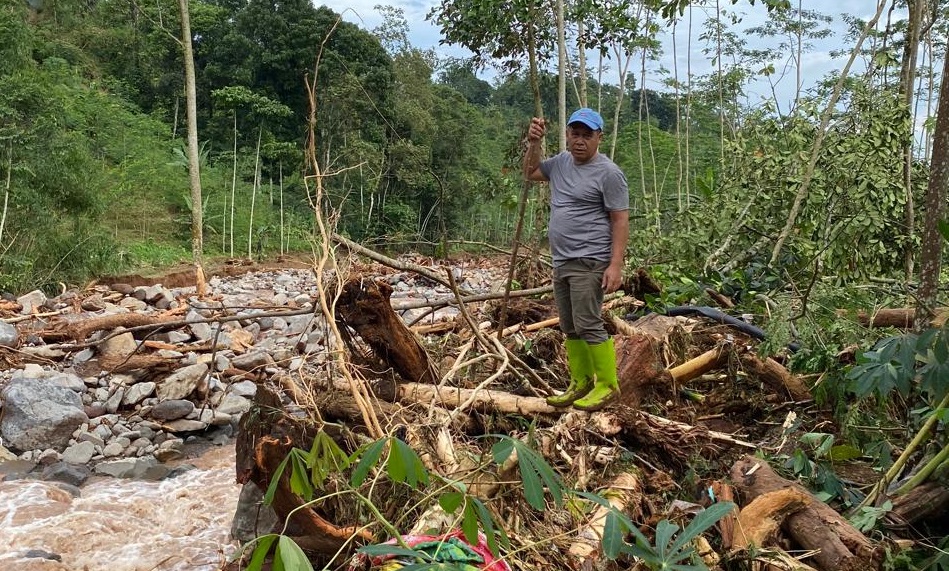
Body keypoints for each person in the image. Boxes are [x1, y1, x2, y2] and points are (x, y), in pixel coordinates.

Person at [523, 108, 629, 411]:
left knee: (588, 322)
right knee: (569, 325)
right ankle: (580, 381)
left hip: (590, 259)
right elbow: (530, 173)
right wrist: (534, 143)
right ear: (567, 134)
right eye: (575, 134)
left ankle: (607, 385)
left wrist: (615, 264)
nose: (580, 140)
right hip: (563, 260)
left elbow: (620, 220)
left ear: (599, 138)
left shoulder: (609, 173)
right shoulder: (560, 163)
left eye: (587, 135)